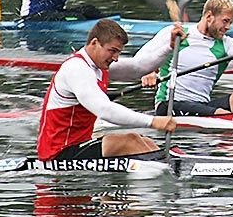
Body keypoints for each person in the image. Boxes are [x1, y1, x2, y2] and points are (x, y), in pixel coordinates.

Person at [37, 18, 185, 161]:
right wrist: (152, 121)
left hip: (78, 145)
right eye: (112, 51)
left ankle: (169, 162)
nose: (115, 58)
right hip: (58, 154)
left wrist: (169, 47)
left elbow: (138, 68)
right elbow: (104, 110)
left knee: (143, 140)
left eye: (118, 52)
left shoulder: (97, 66)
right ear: (94, 43)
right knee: (130, 141)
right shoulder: (77, 68)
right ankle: (168, 168)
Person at [148, 0, 233, 116]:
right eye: (225, 21)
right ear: (209, 17)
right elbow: (141, 59)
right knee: (222, 115)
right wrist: (149, 73)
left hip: (202, 105)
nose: (228, 27)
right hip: (168, 105)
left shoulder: (227, 43)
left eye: (231, 22)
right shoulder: (176, 34)